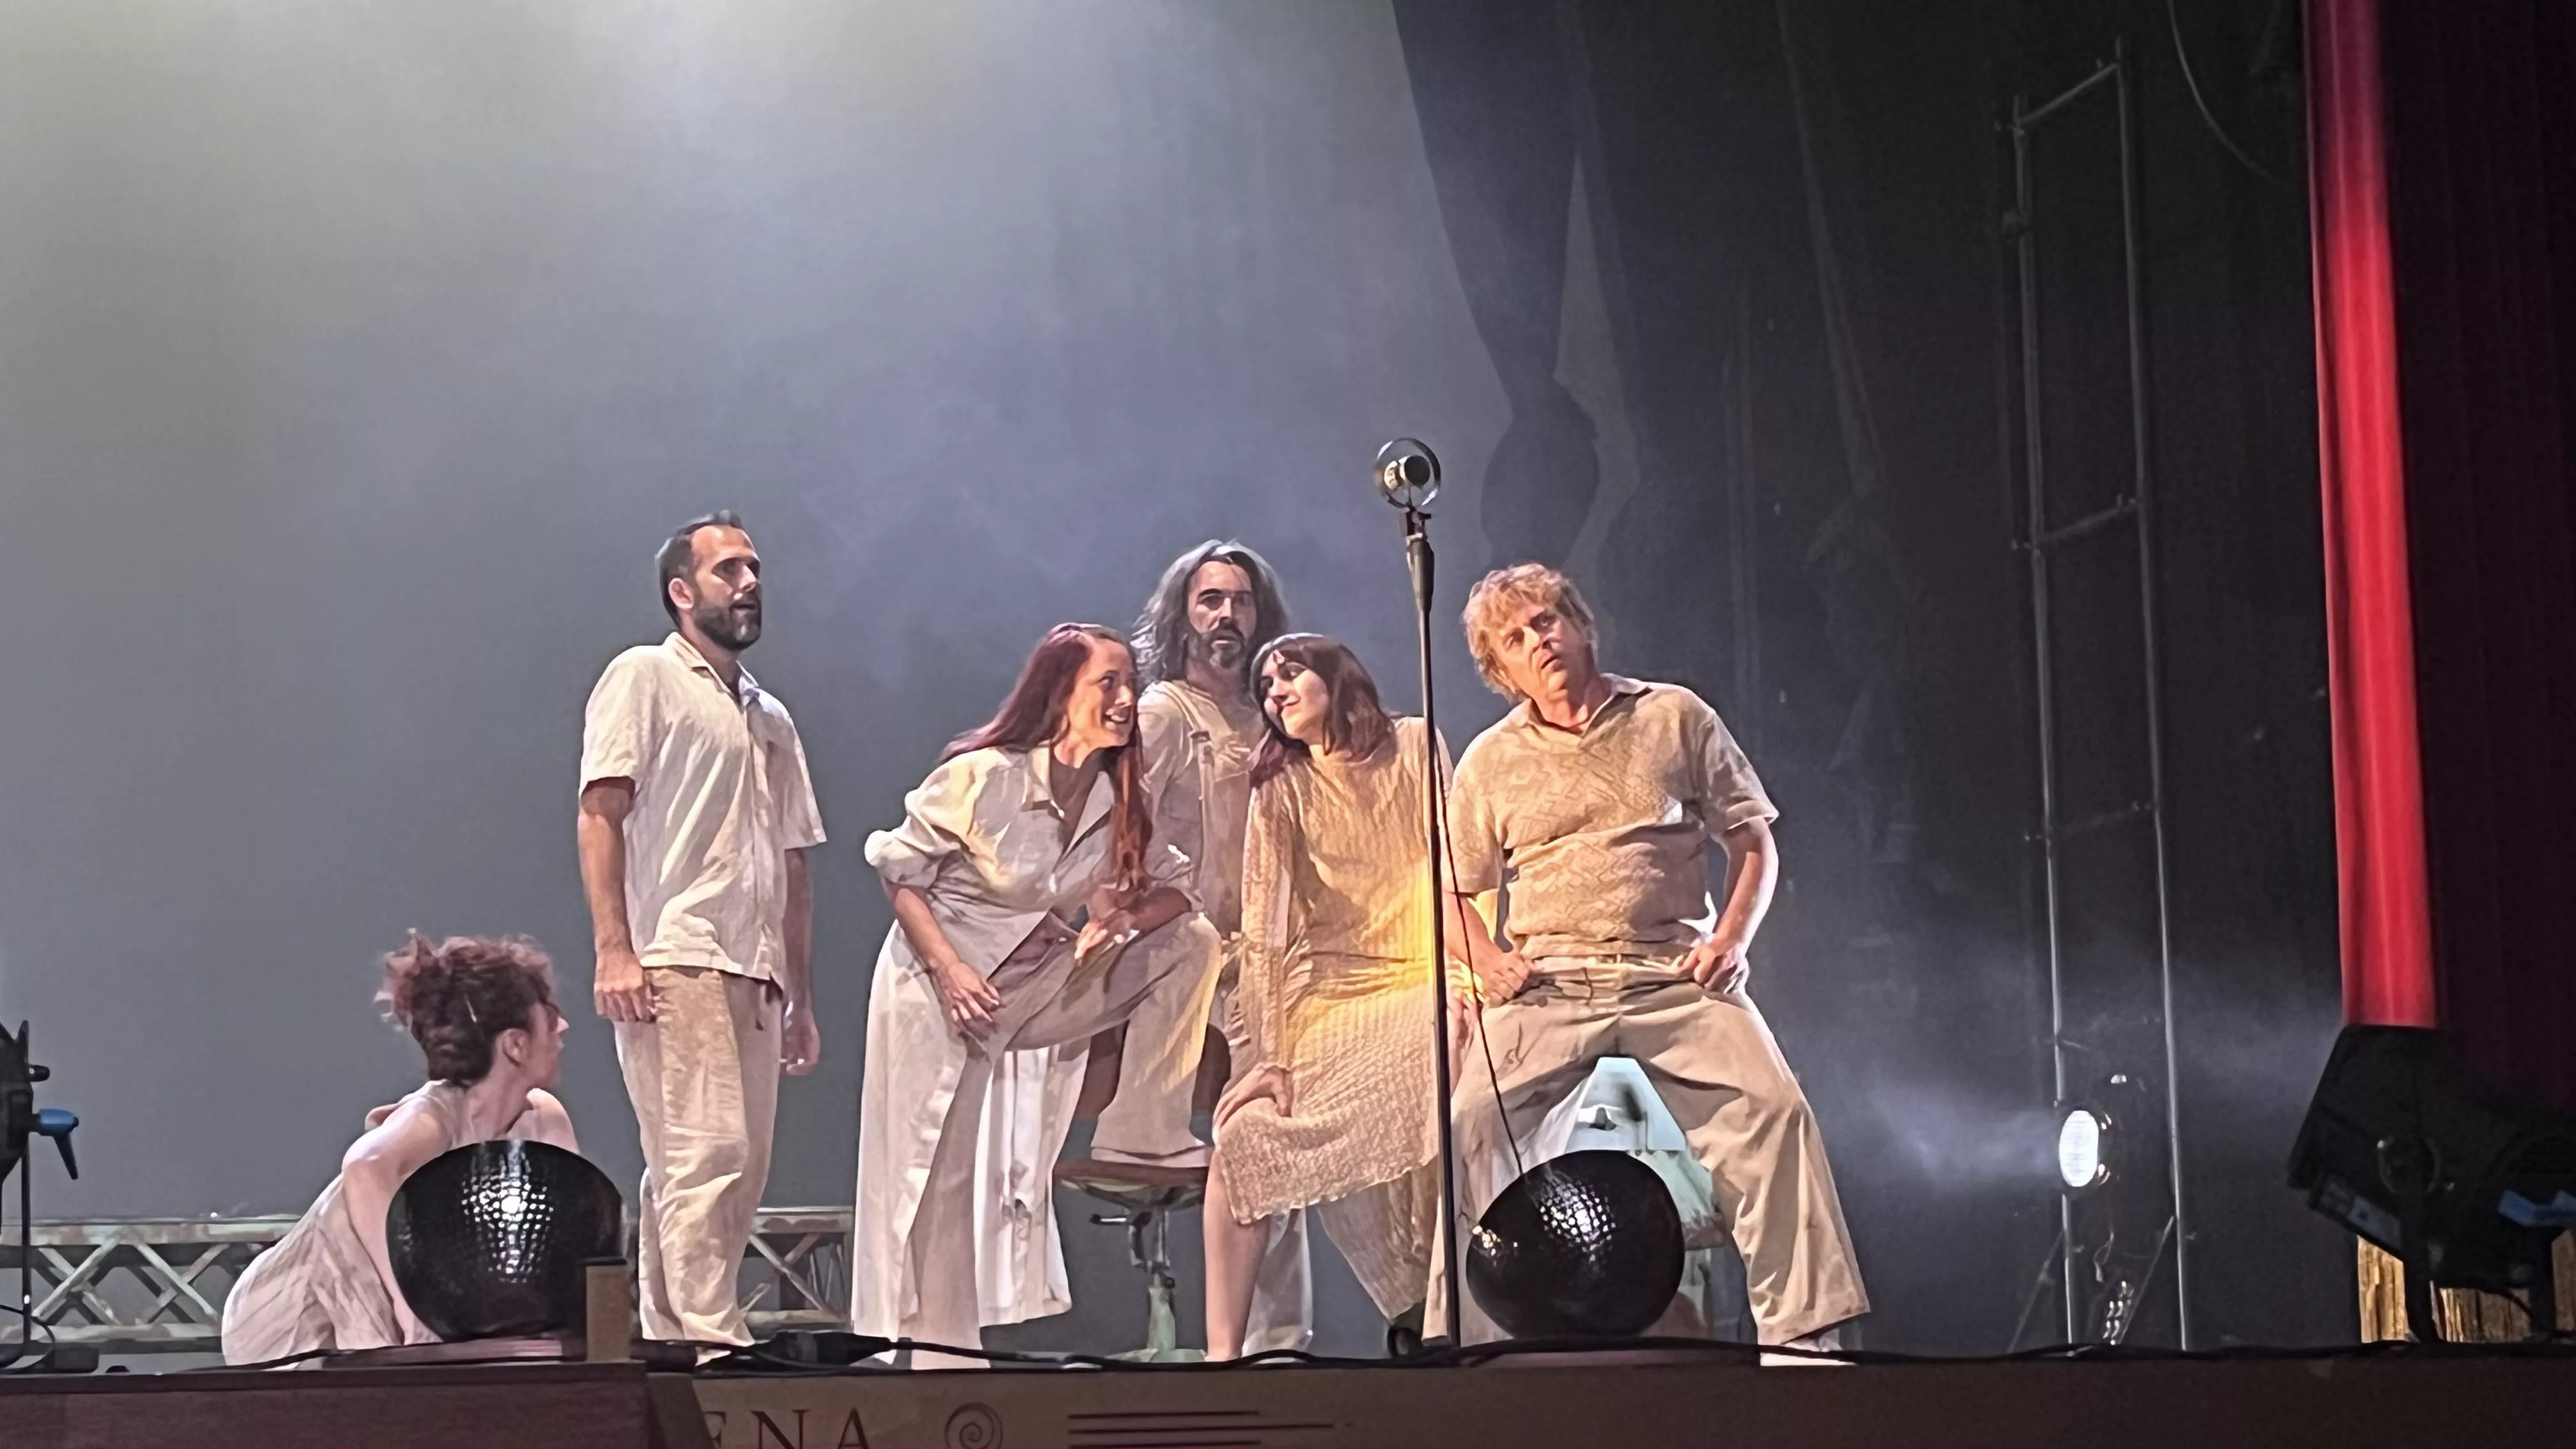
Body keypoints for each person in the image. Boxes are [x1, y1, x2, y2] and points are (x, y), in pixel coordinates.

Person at [1430, 564, 1868, 1357]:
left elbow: (1753, 841)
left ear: (1581, 624)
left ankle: (1807, 1342)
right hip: (1550, 979)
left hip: (1670, 969)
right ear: (1501, 671)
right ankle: (1477, 1344)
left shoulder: (1674, 715)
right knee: (1470, 1120)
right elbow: (1450, 895)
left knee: (1774, 1111)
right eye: (1518, 638)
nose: (1541, 641)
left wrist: (1731, 939)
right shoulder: (1490, 761)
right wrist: (1489, 959)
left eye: (1549, 620)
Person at [853, 624, 1222, 1361]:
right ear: (1061, 696)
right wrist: (952, 971)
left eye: (1130, 684)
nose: (1125, 700)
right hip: (938, 989)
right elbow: (900, 873)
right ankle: (934, 1356)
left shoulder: (1116, 796)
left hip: (1032, 984)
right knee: (935, 1174)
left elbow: (1181, 892)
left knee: (1191, 943)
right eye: (1107, 684)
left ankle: (1141, 1131)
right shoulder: (988, 776)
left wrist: (1115, 926)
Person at [578, 511, 827, 1347]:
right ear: (683, 592)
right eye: (729, 571)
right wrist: (615, 946)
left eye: (755, 568)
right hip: (676, 955)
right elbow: (601, 812)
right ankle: (715, 1343)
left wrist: (801, 996)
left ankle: (672, 1342)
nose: (749, 584)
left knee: (738, 1172)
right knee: (704, 1154)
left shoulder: (772, 719)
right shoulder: (644, 676)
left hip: (755, 971)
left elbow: (793, 865)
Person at [1201, 635, 1482, 1360]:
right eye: (1265, 683)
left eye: (1289, 672)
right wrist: (1262, 1058)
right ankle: (1220, 1359)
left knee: (1444, 1060)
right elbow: (1263, 929)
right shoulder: (1281, 783)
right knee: (1243, 1140)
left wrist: (1475, 972)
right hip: (1330, 995)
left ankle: (1448, 1311)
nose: (1275, 690)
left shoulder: (1415, 742)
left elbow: (1456, 870)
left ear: (1338, 675)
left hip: (1425, 971)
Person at [222, 934, 579, 1365]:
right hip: (288, 1315)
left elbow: (563, 1247)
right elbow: (366, 1166)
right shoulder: (437, 1114)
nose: (563, 1028)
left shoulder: (542, 1120)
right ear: (515, 1045)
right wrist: (412, 1310)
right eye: (551, 1016)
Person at [1126, 539, 1312, 1351]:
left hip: (1274, 958)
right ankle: (1240, 1344)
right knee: (1253, 1133)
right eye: (1209, 600)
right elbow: (1125, 829)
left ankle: (1280, 1344)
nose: (1225, 615)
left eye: (1239, 600)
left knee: (1281, 1140)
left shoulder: (1278, 715)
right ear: (1184, 614)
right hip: (1191, 954)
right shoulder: (1164, 712)